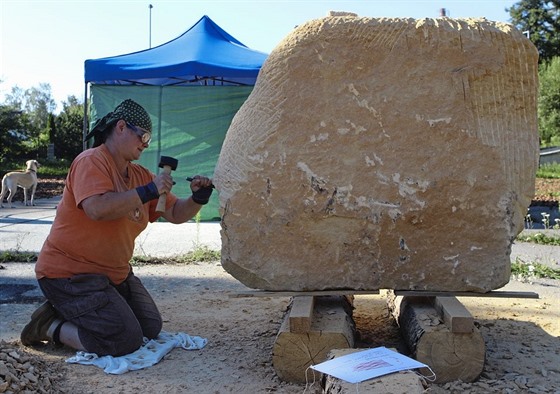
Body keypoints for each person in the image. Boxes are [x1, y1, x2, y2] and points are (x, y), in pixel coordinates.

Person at [20, 99, 214, 356]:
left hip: (113, 275)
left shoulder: (140, 175)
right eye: (143, 135)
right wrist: (149, 190)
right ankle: (48, 326)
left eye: (149, 139)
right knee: (124, 340)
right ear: (121, 127)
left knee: (150, 327)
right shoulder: (91, 161)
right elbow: (97, 209)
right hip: (69, 274)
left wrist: (199, 197)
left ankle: (77, 310)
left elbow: (176, 213)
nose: (146, 144)